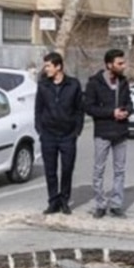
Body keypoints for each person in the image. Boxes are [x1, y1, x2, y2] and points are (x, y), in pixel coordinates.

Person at [84, 49, 134, 218]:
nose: (123, 66)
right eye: (119, 63)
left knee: (120, 170)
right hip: (103, 132)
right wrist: (111, 113)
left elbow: (129, 103)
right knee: (99, 170)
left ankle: (116, 204)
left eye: (123, 62)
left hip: (121, 132)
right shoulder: (94, 83)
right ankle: (100, 204)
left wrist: (126, 111)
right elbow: (89, 108)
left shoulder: (123, 82)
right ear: (109, 65)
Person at [34, 51, 85, 215]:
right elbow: (38, 109)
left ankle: (64, 200)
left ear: (58, 66)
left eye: (48, 66)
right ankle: (53, 201)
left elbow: (79, 109)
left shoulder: (73, 85)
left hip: (68, 135)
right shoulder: (43, 85)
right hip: (48, 135)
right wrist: (40, 130)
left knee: (67, 169)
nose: (46, 69)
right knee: (50, 170)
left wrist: (76, 131)